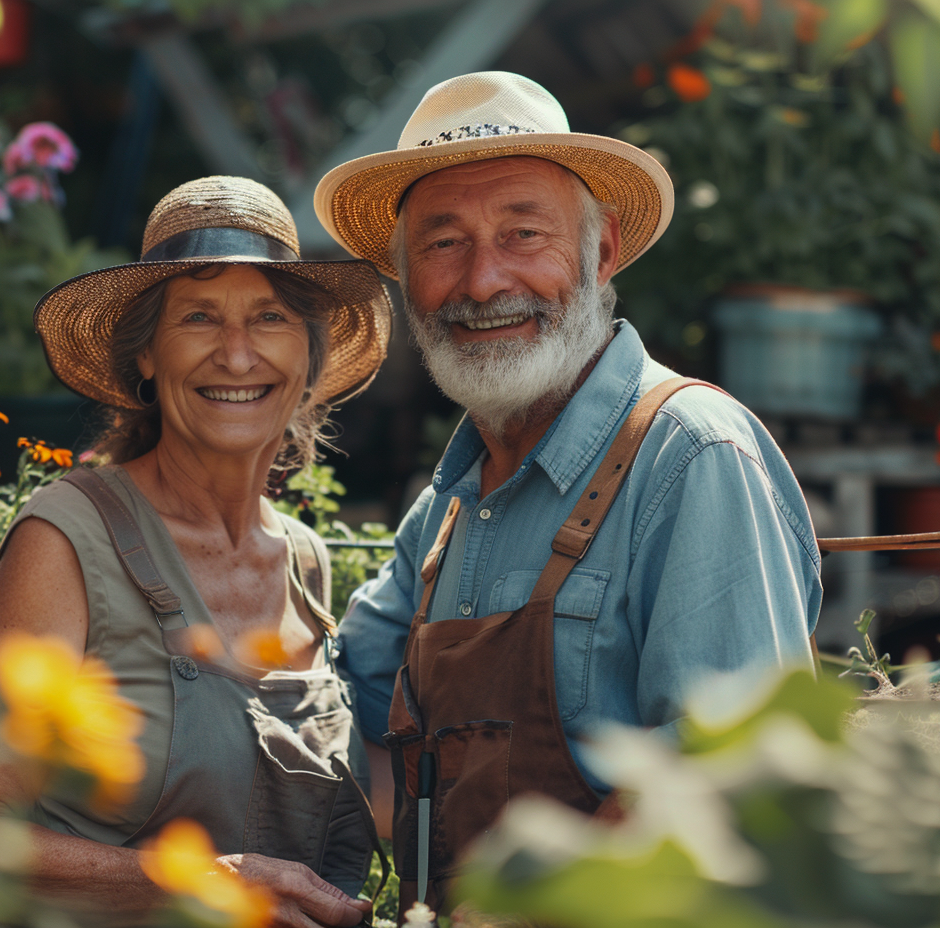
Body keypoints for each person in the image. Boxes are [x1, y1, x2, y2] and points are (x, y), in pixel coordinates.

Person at [314, 71, 822, 909]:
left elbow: (732, 775)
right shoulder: (449, 508)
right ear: (405, 277)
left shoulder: (692, 455)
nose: (483, 282)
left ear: (603, 251)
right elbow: (343, 704)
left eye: (523, 233)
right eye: (443, 244)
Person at [0, 176, 393, 927]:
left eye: (270, 317)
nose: (237, 356)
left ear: (310, 357)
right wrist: (207, 883)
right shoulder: (69, 541)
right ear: (147, 355)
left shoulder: (305, 561)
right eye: (198, 317)